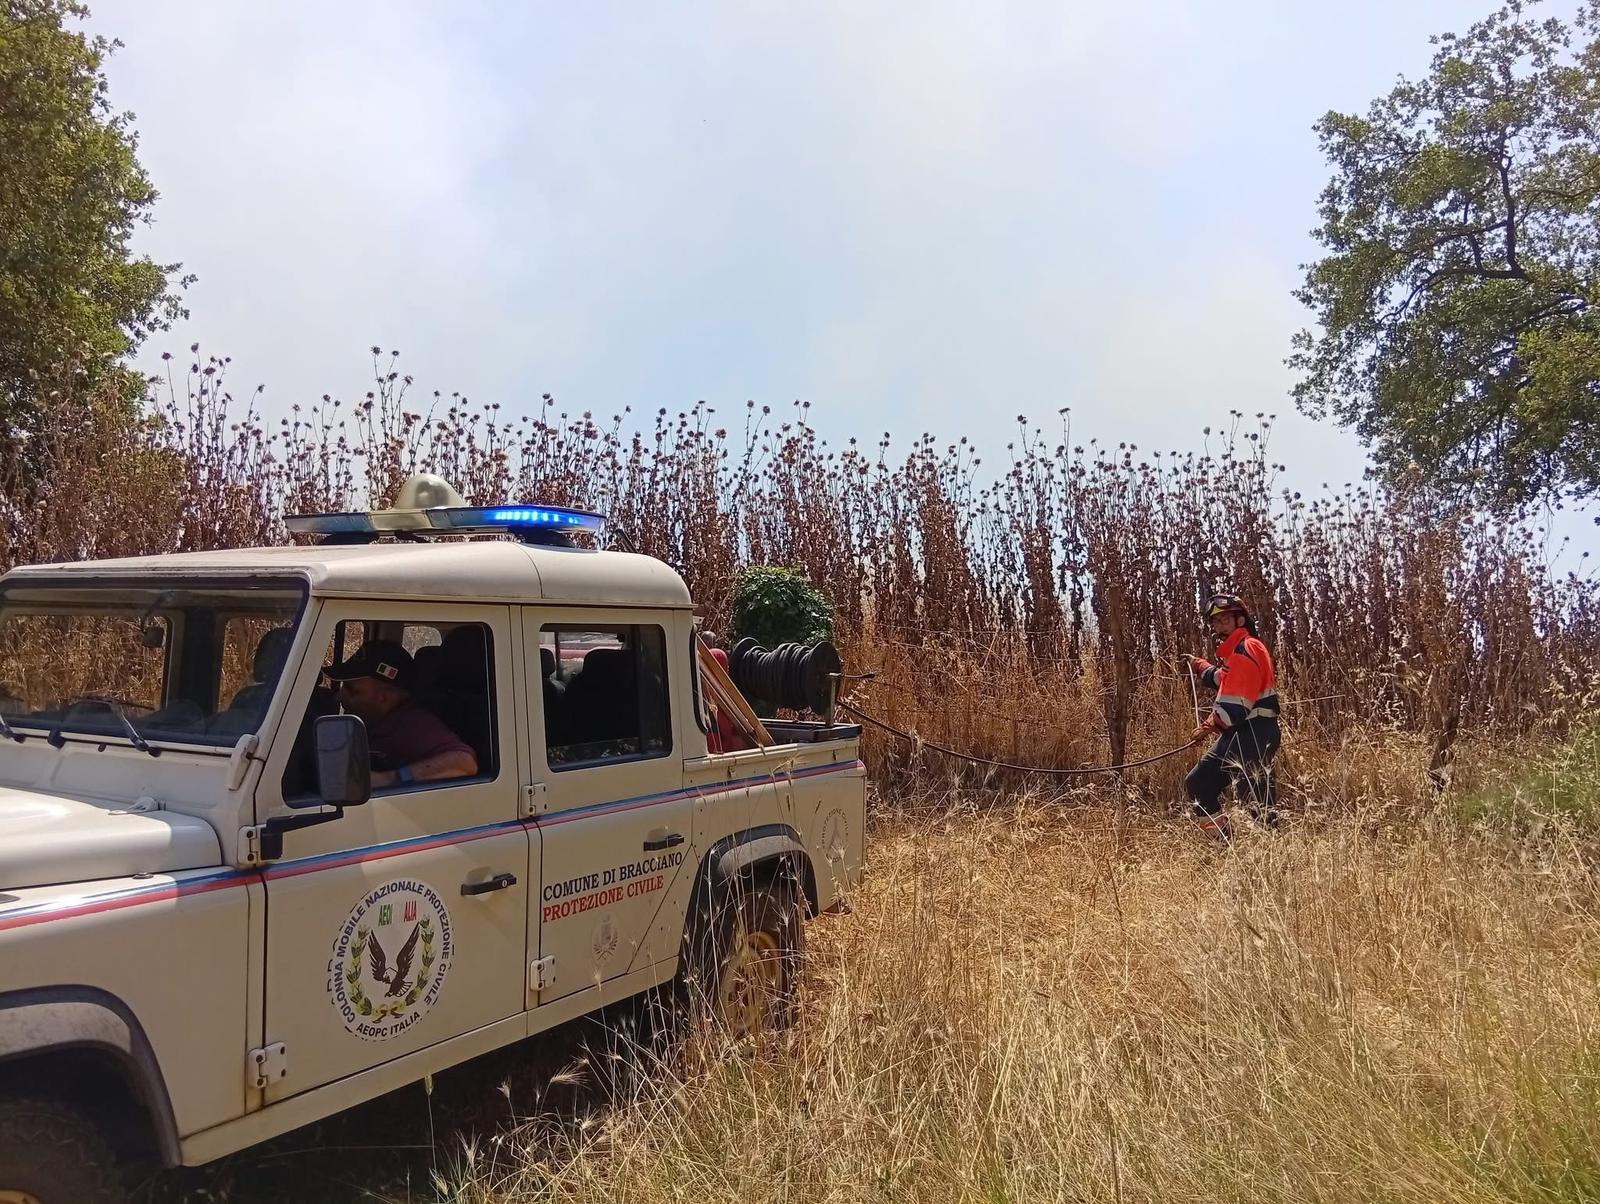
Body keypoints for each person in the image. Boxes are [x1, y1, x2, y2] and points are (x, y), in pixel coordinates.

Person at [1184, 593, 1281, 839]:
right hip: (1238, 733)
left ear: (1241, 620)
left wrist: (1210, 725)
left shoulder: (1248, 647)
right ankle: (1224, 847)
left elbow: (1237, 701)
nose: (1218, 626)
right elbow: (1225, 680)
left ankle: (1272, 860)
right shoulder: (1237, 652)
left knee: (1257, 806)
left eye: (1224, 620)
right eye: (1215, 622)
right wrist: (1201, 667)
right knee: (1199, 784)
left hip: (1256, 733)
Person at [325, 638, 478, 789]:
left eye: (352, 691)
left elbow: (465, 763)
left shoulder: (413, 726)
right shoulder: (373, 721)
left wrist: (390, 779)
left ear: (383, 698)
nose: (339, 696)